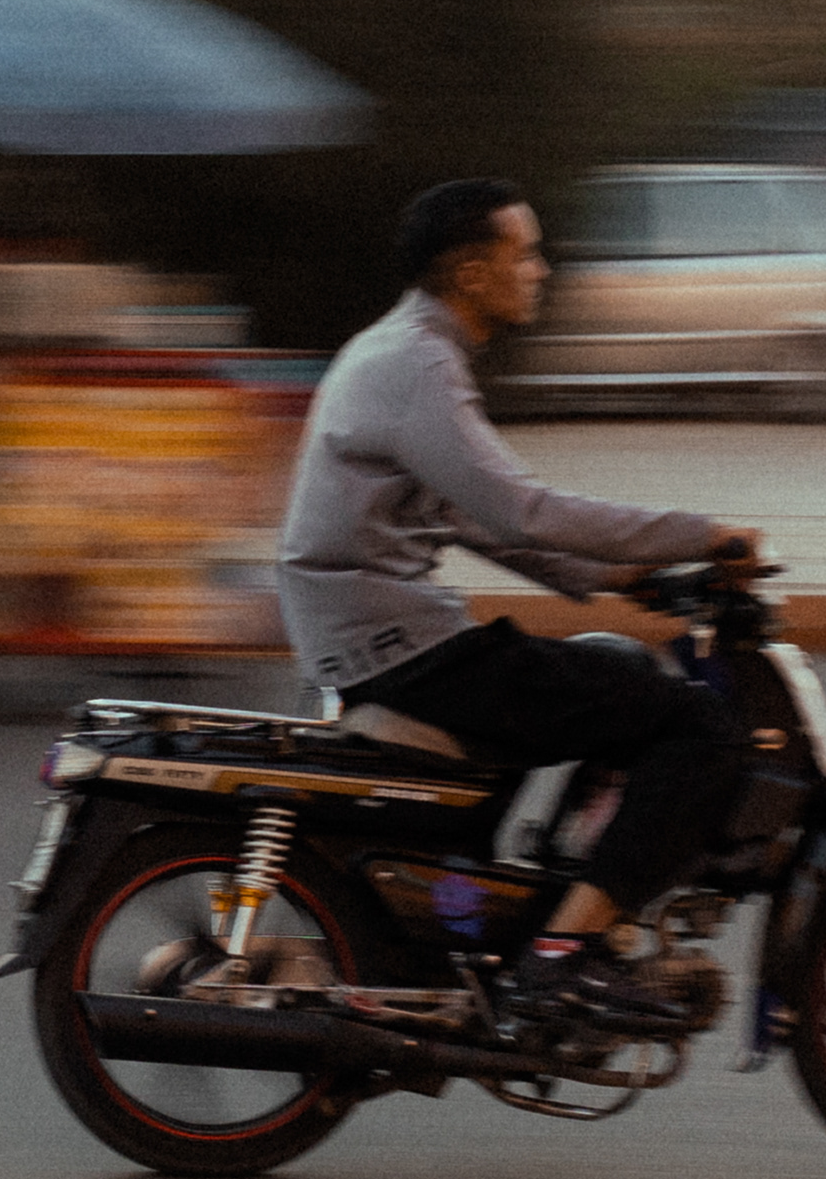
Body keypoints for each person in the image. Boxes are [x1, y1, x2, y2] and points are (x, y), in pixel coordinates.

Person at [277, 178, 760, 1022]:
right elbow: (522, 510)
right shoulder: (420, 365)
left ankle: (509, 921)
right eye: (525, 254)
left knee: (610, 668)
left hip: (371, 639)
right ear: (471, 272)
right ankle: (563, 954)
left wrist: (620, 580)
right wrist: (702, 535)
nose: (540, 270)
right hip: (404, 648)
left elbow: (470, 517)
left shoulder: (396, 351)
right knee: (700, 728)